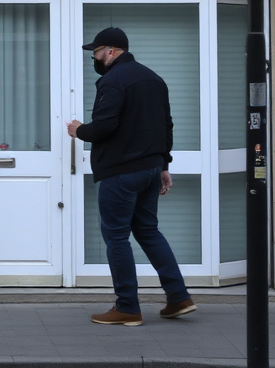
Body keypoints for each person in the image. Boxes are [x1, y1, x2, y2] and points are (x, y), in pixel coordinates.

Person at [67, 26, 197, 326]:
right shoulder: (154, 78)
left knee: (116, 237)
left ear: (111, 52)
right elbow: (167, 126)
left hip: (121, 172)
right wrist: (163, 165)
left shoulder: (112, 81)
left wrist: (78, 131)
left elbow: (104, 126)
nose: (95, 58)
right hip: (150, 170)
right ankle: (179, 297)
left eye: (97, 52)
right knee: (148, 231)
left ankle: (127, 307)